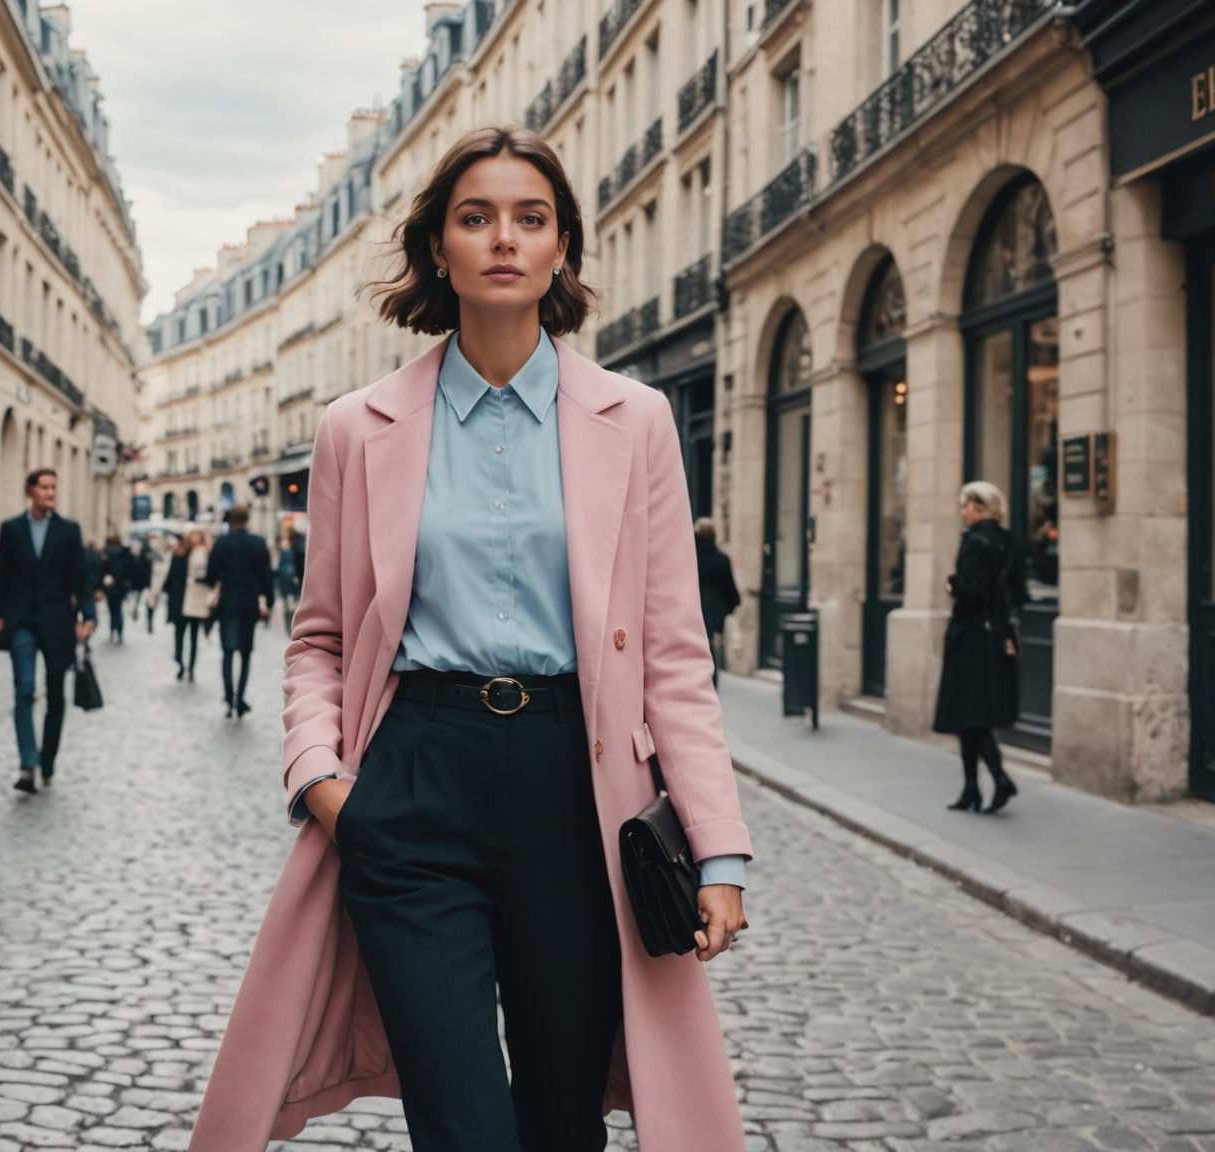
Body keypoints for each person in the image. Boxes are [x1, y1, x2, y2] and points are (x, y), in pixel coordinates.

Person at [193, 127, 751, 1152]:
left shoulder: (638, 422)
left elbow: (675, 654)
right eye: (476, 216)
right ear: (437, 248)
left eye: (530, 218)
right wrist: (323, 780)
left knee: (558, 1119)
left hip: (577, 794)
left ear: (563, 251)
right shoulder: (357, 428)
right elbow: (317, 636)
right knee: (464, 1126)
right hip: (413, 786)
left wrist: (717, 849)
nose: (504, 237)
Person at [0, 467, 97, 794]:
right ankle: (28, 764)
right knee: (23, 689)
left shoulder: (68, 530)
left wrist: (88, 615)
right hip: (22, 621)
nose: (50, 493)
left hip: (58, 622)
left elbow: (82, 577)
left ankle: (47, 758)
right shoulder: (11, 529)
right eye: (44, 487)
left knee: (55, 694)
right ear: (30, 491)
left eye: (54, 487)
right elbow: (1, 575)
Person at [933, 480, 1020, 814]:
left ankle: (999, 779)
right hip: (996, 637)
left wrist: (952, 583)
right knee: (969, 717)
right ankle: (971, 789)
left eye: (966, 506)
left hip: (970, 638)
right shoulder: (1007, 542)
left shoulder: (975, 542)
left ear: (980, 509)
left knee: (970, 717)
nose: (963, 512)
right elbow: (1017, 593)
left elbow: (971, 591)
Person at [198, 505, 272, 718]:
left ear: (229, 521)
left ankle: (229, 697)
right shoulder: (258, 543)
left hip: (228, 602)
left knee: (228, 652)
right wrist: (270, 602)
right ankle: (240, 698)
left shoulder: (221, 543)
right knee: (246, 652)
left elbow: (211, 577)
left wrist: (222, 574)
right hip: (249, 603)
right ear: (247, 519)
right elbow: (266, 577)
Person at [694, 517, 741, 686]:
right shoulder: (722, 559)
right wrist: (728, 606)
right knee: (709, 645)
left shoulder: (691, 558)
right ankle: (710, 682)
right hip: (715, 609)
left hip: (694, 605)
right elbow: (729, 589)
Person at [162, 530, 201, 680]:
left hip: (182, 600)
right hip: (184, 601)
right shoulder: (179, 555)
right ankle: (187, 666)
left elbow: (168, 581)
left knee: (182, 636)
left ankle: (185, 666)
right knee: (189, 636)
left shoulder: (189, 555)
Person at [180, 526, 214, 649]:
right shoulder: (187, 551)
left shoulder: (206, 551)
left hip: (201, 591)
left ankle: (192, 664)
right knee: (187, 628)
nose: (194, 538)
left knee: (196, 627)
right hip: (189, 592)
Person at [101, 534, 131, 644]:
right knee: (118, 610)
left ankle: (112, 632)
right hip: (121, 586)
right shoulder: (124, 552)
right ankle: (119, 632)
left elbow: (102, 569)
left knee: (112, 610)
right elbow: (129, 568)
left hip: (110, 585)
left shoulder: (106, 552)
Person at [274, 523, 304, 631]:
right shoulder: (286, 544)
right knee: (287, 595)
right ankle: (289, 610)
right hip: (287, 573)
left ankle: (290, 611)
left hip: (290, 573)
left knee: (291, 595)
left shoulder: (295, 545)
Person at [133, 540, 157, 633]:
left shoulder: (143, 555)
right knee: (148, 604)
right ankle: (148, 620)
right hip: (146, 583)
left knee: (143, 601)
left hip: (143, 583)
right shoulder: (150, 555)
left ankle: (138, 613)